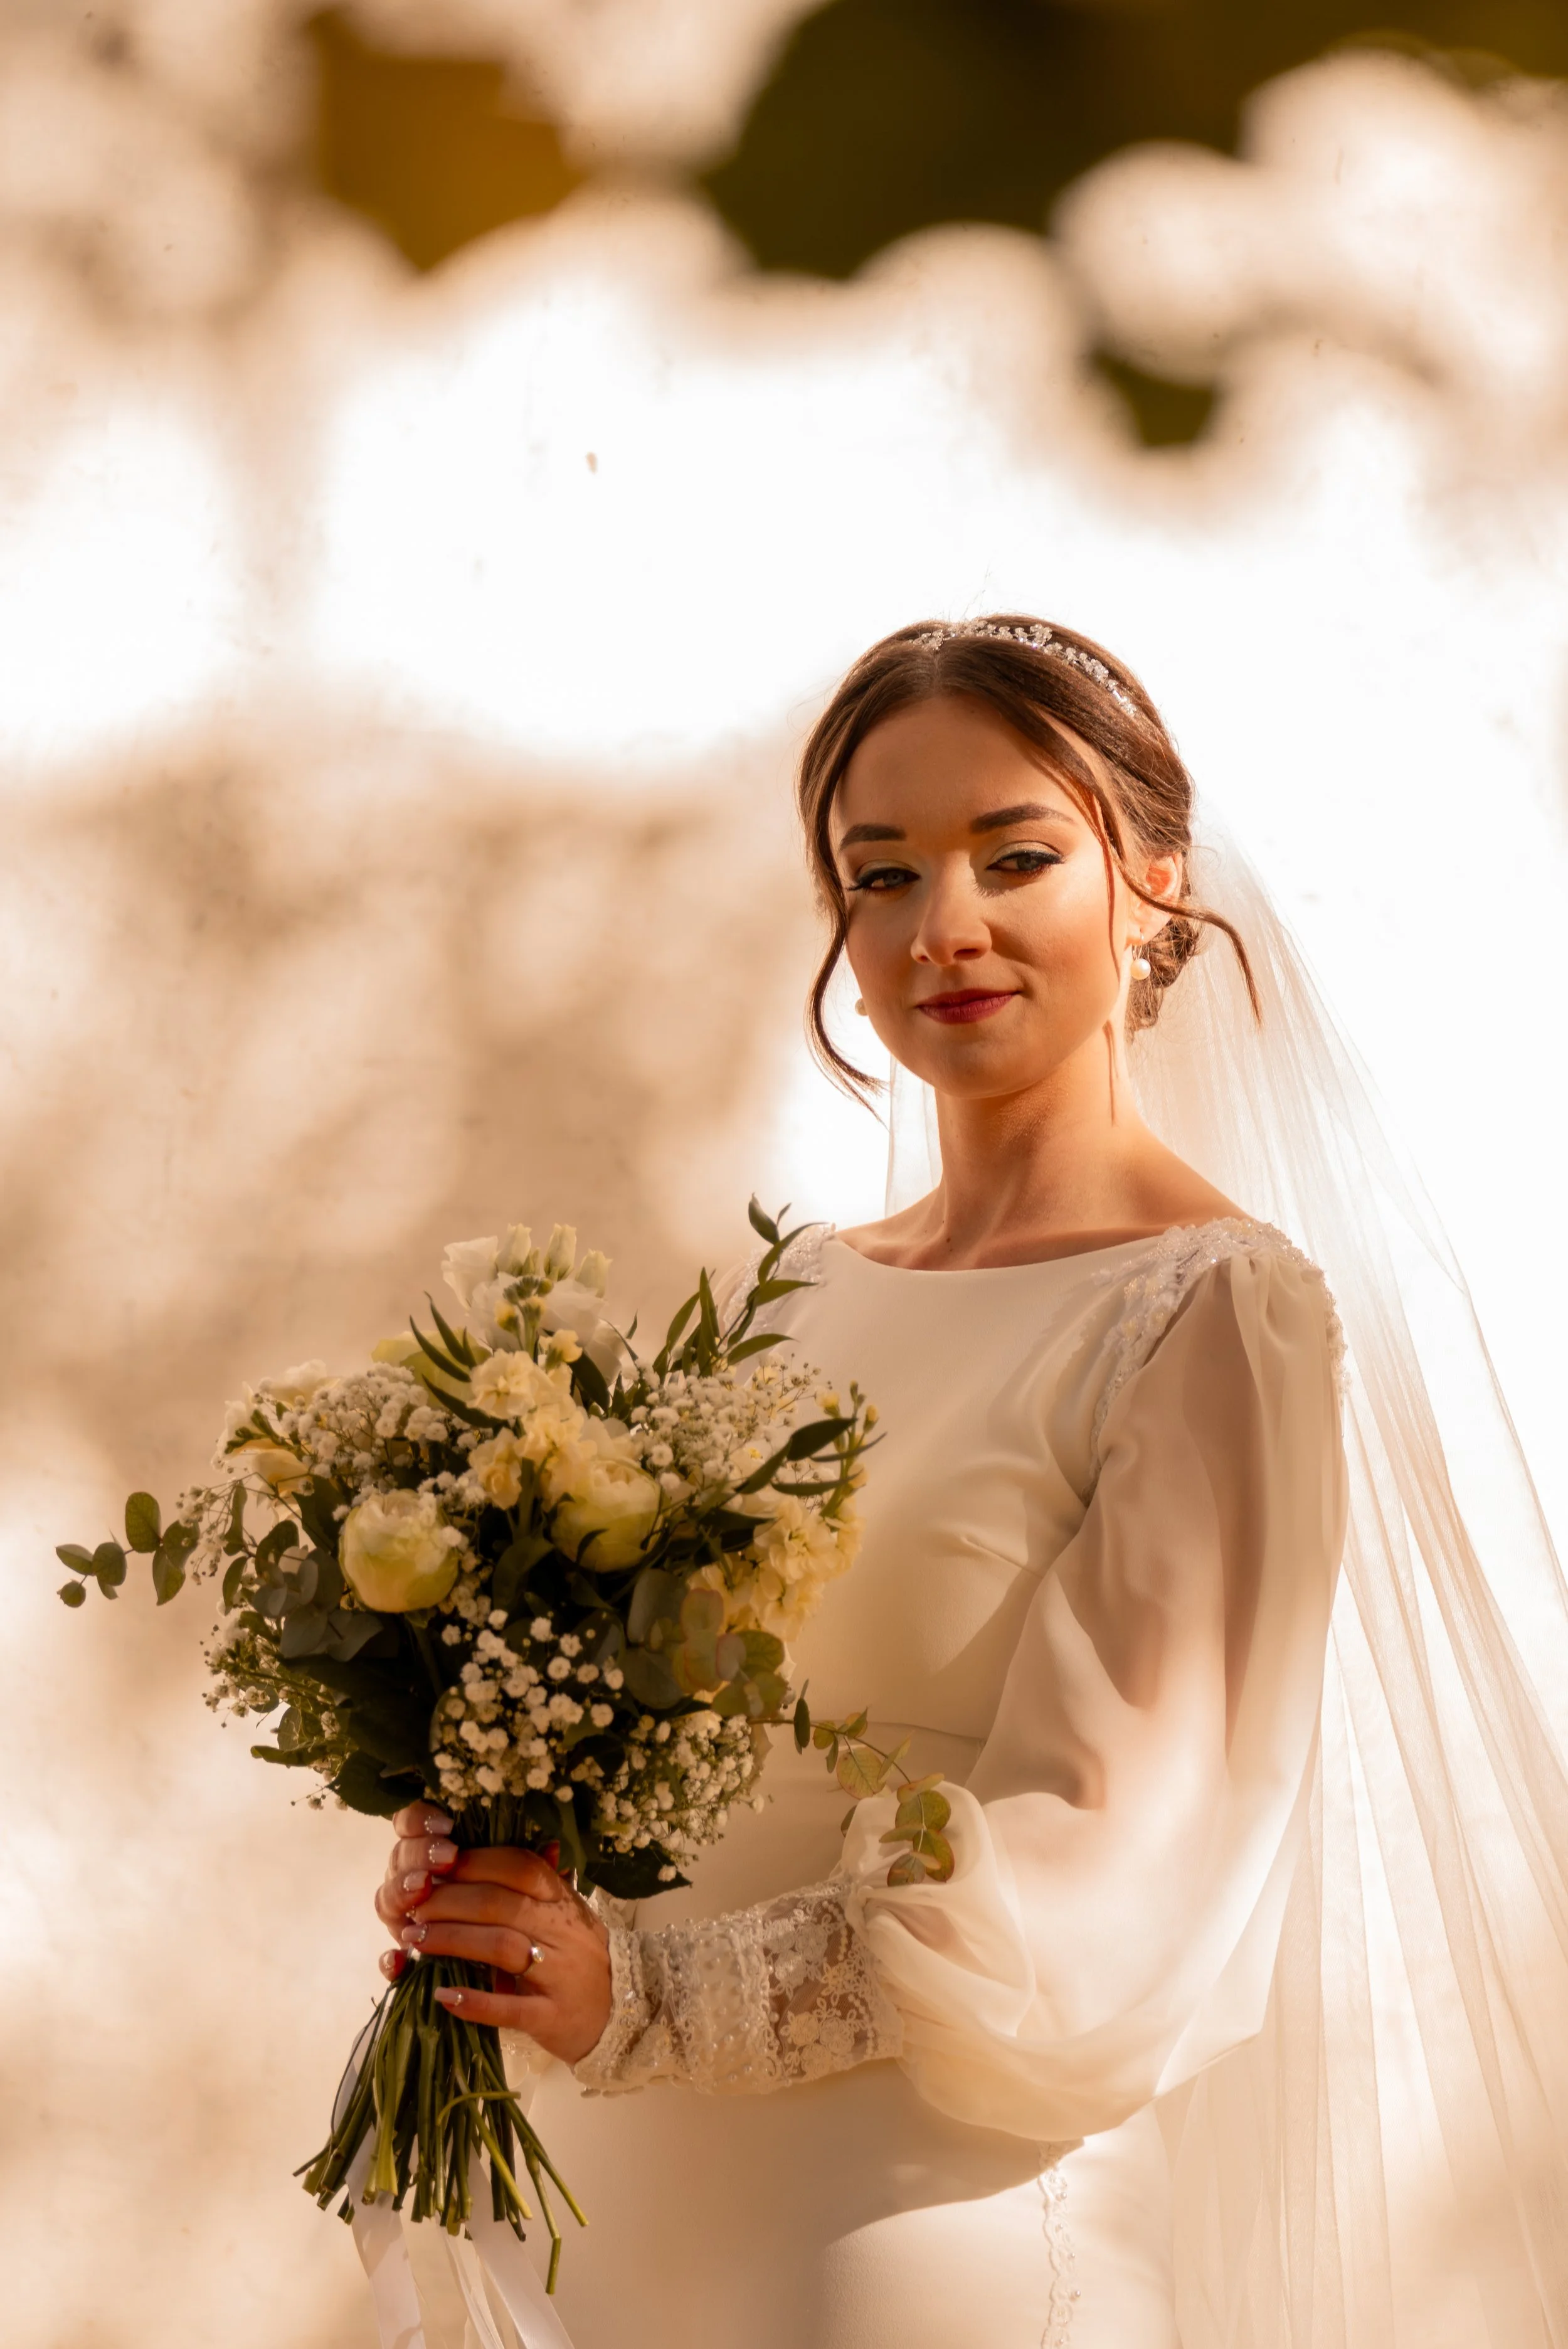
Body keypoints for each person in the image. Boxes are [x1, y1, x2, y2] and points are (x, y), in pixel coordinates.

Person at [369, 619, 1568, 2348]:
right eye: (882, 874)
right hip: (621, 2208)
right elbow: (668, 1741)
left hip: (910, 2237)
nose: (945, 927)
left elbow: (1110, 1884)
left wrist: (650, 1992)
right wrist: (496, 1856)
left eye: (1016, 856)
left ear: (1151, 881)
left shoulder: (1211, 1311)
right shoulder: (793, 1301)